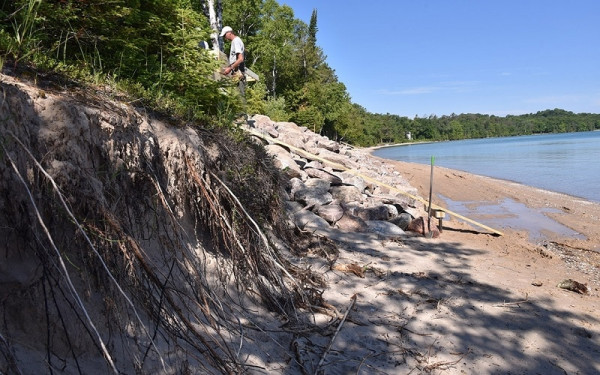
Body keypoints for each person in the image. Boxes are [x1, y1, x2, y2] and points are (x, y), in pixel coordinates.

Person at [220, 26, 246, 100]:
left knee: (239, 95)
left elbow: (240, 59)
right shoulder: (236, 41)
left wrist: (230, 68)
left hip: (238, 71)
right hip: (236, 70)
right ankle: (240, 111)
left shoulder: (236, 41)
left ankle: (242, 111)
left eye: (225, 35)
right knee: (236, 95)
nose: (225, 38)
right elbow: (236, 59)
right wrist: (229, 67)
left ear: (229, 33)